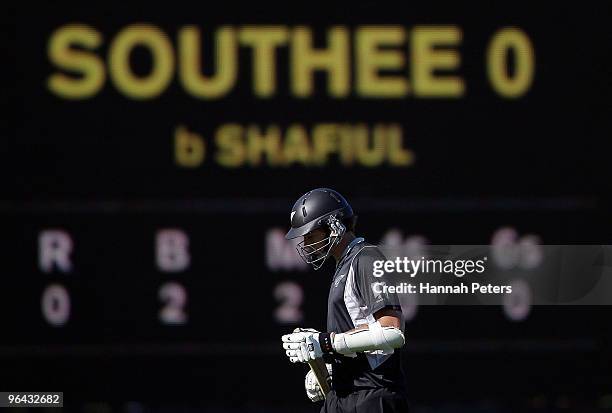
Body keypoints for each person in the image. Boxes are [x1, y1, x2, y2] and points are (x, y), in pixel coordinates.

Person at [281, 188, 409, 412]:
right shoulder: (345, 264)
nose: (306, 243)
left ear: (334, 226)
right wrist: (332, 366)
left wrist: (326, 343)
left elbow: (391, 331)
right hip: (345, 396)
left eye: (310, 235)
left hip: (371, 397)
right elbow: (359, 333)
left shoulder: (366, 258)